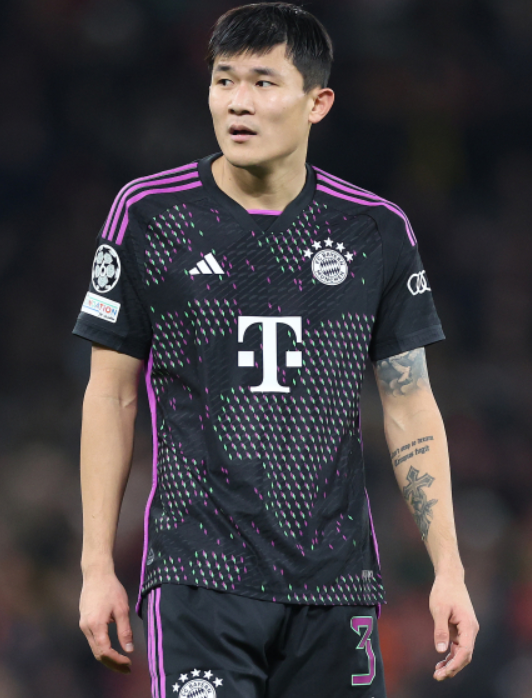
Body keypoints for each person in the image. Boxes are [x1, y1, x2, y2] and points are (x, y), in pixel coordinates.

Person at [74, 3, 479, 697]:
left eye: (263, 82)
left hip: (336, 581)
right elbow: (110, 395)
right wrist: (95, 567)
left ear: (317, 102)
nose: (238, 101)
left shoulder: (374, 230)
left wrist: (449, 568)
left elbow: (410, 402)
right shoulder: (149, 215)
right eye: (223, 80)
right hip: (199, 574)